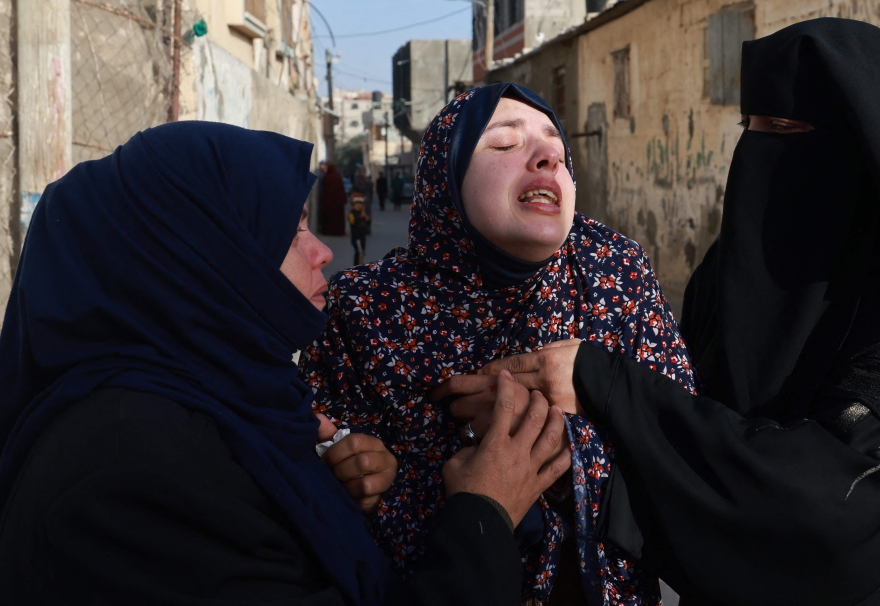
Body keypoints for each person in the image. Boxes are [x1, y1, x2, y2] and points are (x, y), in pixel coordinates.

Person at [441, 19, 880, 605]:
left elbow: (819, 512)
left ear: (869, 153)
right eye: (748, 128)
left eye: (783, 129)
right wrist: (562, 463)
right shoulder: (730, 278)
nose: (756, 154)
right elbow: (695, 462)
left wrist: (605, 380)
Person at [0, 121, 571, 605]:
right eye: (290, 229)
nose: (321, 250)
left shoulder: (225, 405)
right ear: (205, 260)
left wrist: (316, 490)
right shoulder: (131, 479)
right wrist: (484, 513)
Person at [300, 84, 695, 605]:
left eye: (557, 147)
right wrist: (367, 477)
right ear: (446, 175)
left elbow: (685, 445)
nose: (547, 155)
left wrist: (563, 447)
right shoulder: (363, 308)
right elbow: (314, 470)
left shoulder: (614, 271)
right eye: (504, 145)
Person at [320, 161, 347, 236]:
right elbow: (341, 189)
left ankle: (328, 231)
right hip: (338, 203)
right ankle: (339, 231)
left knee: (329, 218)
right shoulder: (337, 177)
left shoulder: (326, 177)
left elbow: (325, 189)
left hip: (328, 202)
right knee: (338, 218)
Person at [348, 193, 371, 265]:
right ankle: (356, 267)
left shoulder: (363, 213)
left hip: (362, 236)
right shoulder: (351, 214)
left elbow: (368, 222)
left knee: (361, 253)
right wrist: (362, 215)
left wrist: (364, 212)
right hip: (356, 237)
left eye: (361, 204)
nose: (359, 206)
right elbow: (354, 222)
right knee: (359, 252)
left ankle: (358, 266)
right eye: (357, 204)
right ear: (353, 205)